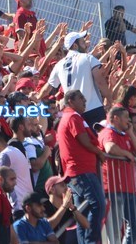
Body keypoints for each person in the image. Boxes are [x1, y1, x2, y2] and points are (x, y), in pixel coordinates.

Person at [56, 90, 106, 244]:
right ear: (70, 101)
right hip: (81, 171)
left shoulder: (72, 116)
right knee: (98, 205)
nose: (85, 100)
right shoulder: (72, 116)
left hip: (77, 172)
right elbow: (83, 139)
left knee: (82, 213)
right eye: (81, 98)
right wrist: (99, 152)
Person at [39, 30, 111, 126]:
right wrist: (110, 100)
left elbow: (47, 88)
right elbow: (100, 81)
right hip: (94, 109)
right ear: (75, 46)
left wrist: (37, 97)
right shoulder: (88, 58)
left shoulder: (59, 65)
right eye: (82, 42)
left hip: (75, 113)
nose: (85, 44)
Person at [98, 106, 136, 244]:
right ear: (115, 118)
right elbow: (110, 148)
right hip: (113, 189)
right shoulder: (107, 132)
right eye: (126, 117)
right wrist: (126, 154)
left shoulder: (125, 135)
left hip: (129, 189)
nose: (128, 120)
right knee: (115, 228)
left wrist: (131, 133)